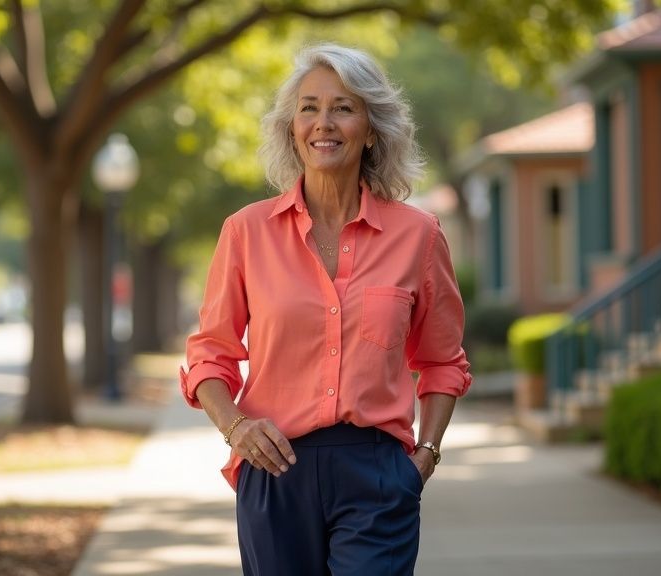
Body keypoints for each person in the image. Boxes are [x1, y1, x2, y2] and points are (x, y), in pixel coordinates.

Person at [180, 43, 471, 576]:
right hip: (274, 469)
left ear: (372, 127)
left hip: (378, 474)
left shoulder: (418, 236)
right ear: (291, 127)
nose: (323, 123)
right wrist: (236, 427)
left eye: (343, 106)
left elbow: (443, 361)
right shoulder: (246, 232)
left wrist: (425, 454)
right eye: (309, 107)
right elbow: (210, 357)